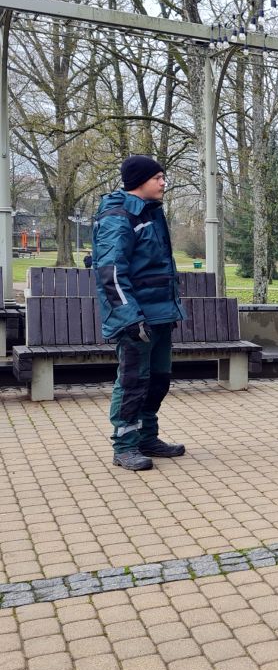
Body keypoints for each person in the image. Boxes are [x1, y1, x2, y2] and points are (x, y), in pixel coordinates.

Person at [92, 155, 187, 472]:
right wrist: (130, 319)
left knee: (158, 380)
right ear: (139, 181)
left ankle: (147, 437)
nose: (163, 182)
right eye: (158, 177)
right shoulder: (118, 217)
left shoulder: (151, 213)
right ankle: (125, 446)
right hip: (136, 320)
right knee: (133, 382)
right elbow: (111, 274)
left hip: (159, 315)